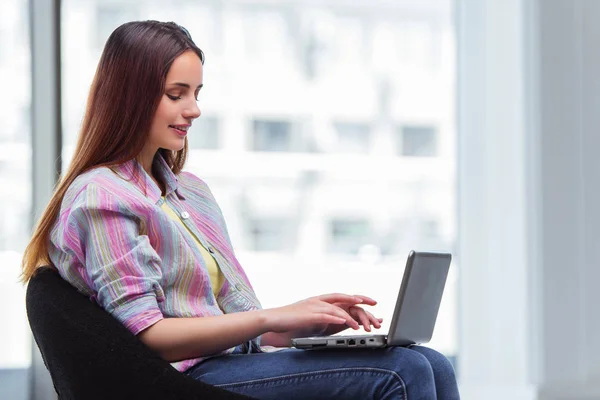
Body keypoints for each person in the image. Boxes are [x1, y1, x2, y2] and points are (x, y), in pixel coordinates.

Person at [21, 20, 460, 399]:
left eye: (196, 92)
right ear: (130, 96)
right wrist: (271, 316)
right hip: (187, 383)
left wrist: (304, 321)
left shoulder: (190, 193)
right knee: (405, 372)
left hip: (230, 366)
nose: (193, 109)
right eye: (177, 94)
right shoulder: (102, 196)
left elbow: (232, 325)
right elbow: (151, 337)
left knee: (429, 361)